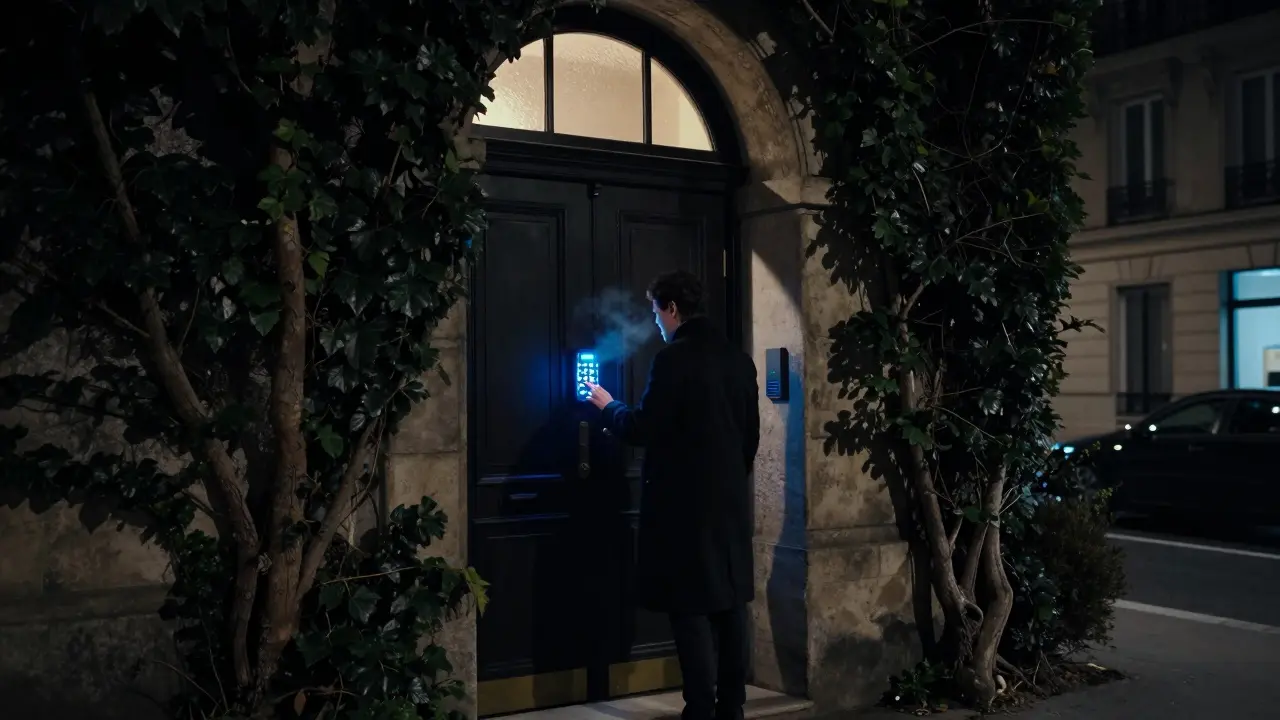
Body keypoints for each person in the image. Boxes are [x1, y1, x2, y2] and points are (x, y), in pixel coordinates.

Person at [583, 269, 760, 720]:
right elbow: (750, 440)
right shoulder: (739, 361)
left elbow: (645, 427)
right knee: (730, 606)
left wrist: (609, 408)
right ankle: (732, 707)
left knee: (690, 610)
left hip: (685, 511)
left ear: (672, 309)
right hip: (730, 506)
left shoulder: (673, 360)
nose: (657, 323)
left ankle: (699, 709)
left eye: (656, 313)